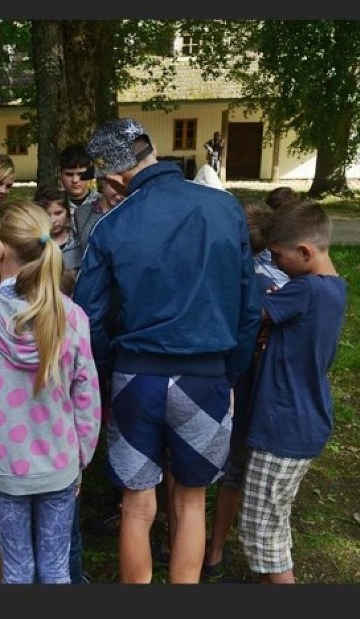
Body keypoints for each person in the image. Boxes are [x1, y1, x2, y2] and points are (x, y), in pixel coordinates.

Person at [72, 117, 261, 584]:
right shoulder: (225, 209)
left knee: (137, 505)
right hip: (205, 377)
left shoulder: (111, 225)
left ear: (112, 177)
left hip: (136, 379)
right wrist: (228, 375)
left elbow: (86, 318)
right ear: (150, 149)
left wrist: (112, 373)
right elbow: (248, 308)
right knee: (191, 500)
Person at [0, 200, 102, 584]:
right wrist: (81, 458)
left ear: (0, 250)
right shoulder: (72, 317)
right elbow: (87, 398)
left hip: (5, 462)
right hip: (59, 463)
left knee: (16, 570)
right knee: (56, 569)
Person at [238, 201, 347, 584]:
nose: (276, 264)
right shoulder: (331, 289)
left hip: (285, 426)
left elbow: (251, 313)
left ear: (304, 253)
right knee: (272, 522)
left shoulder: (305, 291)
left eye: (278, 257)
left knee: (261, 533)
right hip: (300, 421)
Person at [202, 199, 289, 582]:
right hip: (265, 389)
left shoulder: (230, 277)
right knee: (245, 473)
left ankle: (215, 550)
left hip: (234, 382)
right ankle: (226, 547)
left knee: (232, 471)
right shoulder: (285, 282)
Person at [32, 185, 81, 296]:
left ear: (68, 214)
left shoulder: (78, 243)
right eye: (47, 214)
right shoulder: (33, 246)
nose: (53, 220)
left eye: (58, 213)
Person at [73, 176, 125, 253]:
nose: (121, 193)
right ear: (103, 182)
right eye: (116, 186)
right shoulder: (81, 213)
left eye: (125, 188)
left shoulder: (131, 212)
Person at [59, 143, 100, 215]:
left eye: (80, 174)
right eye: (69, 174)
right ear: (60, 174)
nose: (75, 180)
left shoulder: (102, 202)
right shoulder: (52, 204)